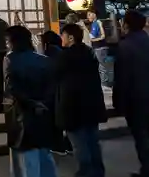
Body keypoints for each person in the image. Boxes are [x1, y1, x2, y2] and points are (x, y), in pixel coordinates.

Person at [4, 26, 57, 177]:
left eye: (7, 41)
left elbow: (12, 88)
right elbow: (52, 87)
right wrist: (42, 103)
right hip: (43, 114)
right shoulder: (44, 60)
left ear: (13, 41)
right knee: (44, 156)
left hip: (21, 114)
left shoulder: (10, 59)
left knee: (25, 162)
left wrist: (31, 103)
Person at [57, 23, 107, 177]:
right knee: (92, 141)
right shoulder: (89, 53)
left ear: (70, 38)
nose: (61, 38)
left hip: (74, 107)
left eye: (63, 35)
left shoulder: (65, 56)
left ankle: (85, 173)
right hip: (92, 103)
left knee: (79, 144)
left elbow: (56, 77)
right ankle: (98, 171)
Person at [114, 10, 149, 177]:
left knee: (141, 137)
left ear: (126, 24)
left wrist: (118, 102)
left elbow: (121, 78)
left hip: (136, 99)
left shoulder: (125, 46)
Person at [41, 31, 73, 156]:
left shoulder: (49, 53)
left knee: (54, 120)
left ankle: (58, 146)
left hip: (53, 91)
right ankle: (69, 145)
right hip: (66, 90)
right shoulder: (63, 52)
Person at [87, 10, 111, 88]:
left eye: (89, 14)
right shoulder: (97, 23)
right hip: (100, 47)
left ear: (94, 15)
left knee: (102, 66)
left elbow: (92, 37)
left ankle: (104, 84)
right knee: (102, 66)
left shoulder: (96, 23)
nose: (88, 17)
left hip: (100, 48)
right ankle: (104, 83)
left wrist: (90, 39)